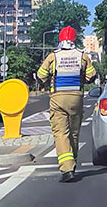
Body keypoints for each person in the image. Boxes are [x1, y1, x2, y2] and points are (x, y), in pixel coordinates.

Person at [37, 26, 97, 182]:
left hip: (58, 98)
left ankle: (67, 168)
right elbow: (92, 75)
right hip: (76, 97)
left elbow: (40, 75)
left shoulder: (53, 56)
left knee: (61, 133)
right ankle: (73, 161)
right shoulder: (82, 56)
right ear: (74, 39)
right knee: (74, 133)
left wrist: (49, 79)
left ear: (60, 39)